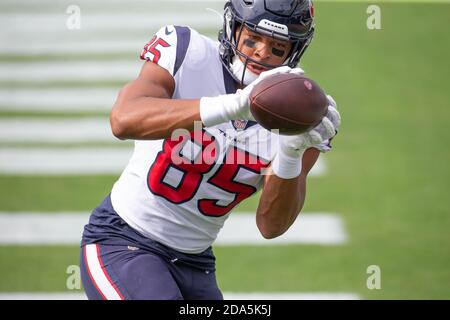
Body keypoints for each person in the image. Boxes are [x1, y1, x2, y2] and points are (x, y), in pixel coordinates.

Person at [80, 0, 341, 300]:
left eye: (277, 47)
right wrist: (233, 106)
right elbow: (123, 120)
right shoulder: (187, 52)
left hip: (195, 263)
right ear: (234, 28)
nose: (261, 52)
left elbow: (271, 225)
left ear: (293, 51)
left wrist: (291, 153)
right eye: (253, 38)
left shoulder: (298, 114)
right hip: (123, 239)